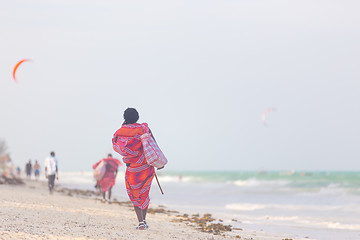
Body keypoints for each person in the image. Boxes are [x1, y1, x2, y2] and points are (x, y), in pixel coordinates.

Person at [112, 108, 164, 230]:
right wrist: (159, 162)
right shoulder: (144, 129)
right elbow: (153, 145)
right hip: (146, 167)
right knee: (144, 194)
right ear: (138, 117)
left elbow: (116, 143)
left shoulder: (120, 131)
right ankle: (144, 221)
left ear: (124, 118)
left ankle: (140, 222)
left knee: (134, 194)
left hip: (132, 169)